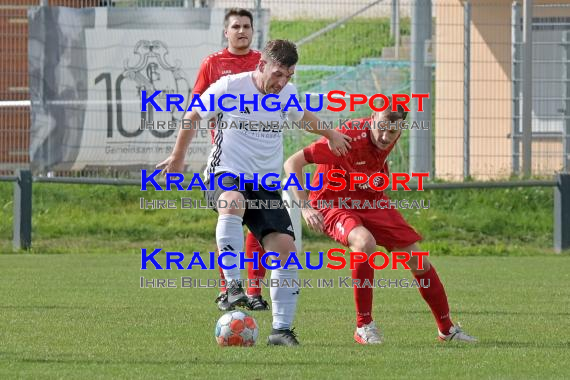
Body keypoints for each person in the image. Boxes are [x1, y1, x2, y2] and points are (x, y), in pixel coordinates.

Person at [157, 39, 351, 346]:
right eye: (277, 74)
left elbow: (303, 118)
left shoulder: (287, 93)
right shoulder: (229, 86)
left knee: (285, 248)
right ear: (261, 65)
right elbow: (193, 116)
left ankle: (281, 330)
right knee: (232, 202)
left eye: (288, 76)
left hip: (265, 184)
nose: (281, 82)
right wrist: (178, 157)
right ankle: (234, 285)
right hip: (226, 174)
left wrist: (331, 133)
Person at [282, 102, 478, 344]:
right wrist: (305, 207)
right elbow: (292, 163)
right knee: (364, 243)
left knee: (418, 259)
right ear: (372, 117)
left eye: (393, 132)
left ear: (401, 129)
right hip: (332, 201)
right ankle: (363, 326)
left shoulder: (389, 132)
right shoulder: (348, 137)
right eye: (381, 128)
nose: (385, 137)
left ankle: (447, 330)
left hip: (371, 200)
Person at [191, 7, 269, 312]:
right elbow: (197, 105)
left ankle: (254, 290)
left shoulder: (263, 63)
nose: (241, 31)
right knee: (231, 215)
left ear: (252, 30)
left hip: (260, 155)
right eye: (235, 26)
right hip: (228, 157)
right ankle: (227, 288)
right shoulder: (213, 64)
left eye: (246, 26)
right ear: (226, 32)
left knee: (259, 226)